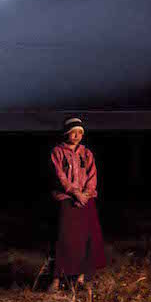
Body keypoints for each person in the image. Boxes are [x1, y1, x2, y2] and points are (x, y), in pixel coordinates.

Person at [50, 117, 107, 285]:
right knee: (65, 238)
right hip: (66, 198)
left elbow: (92, 175)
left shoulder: (86, 153)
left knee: (87, 238)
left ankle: (81, 277)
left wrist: (87, 193)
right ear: (66, 133)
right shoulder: (57, 152)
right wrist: (75, 193)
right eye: (73, 132)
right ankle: (56, 278)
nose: (76, 135)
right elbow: (59, 175)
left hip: (86, 199)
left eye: (80, 132)